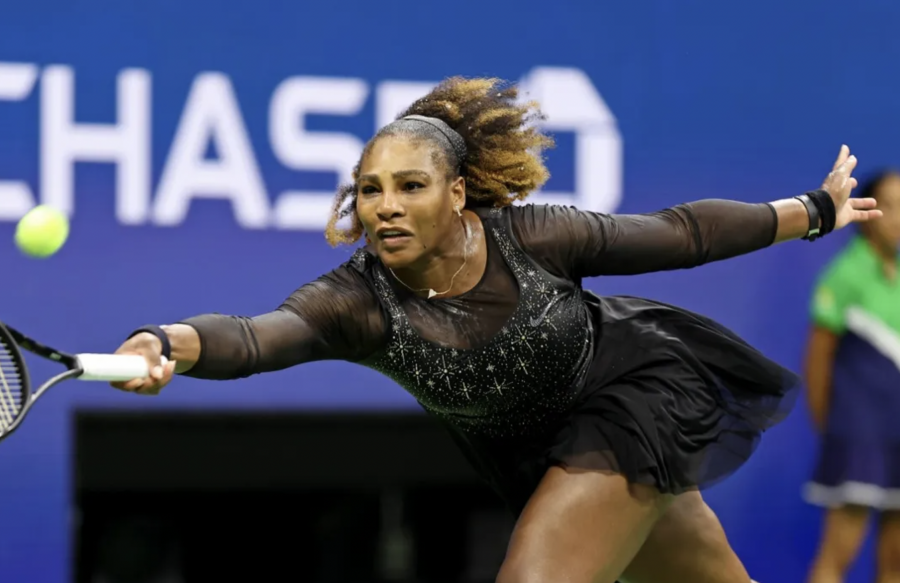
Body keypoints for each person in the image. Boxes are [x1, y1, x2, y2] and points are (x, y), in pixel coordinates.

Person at [109, 76, 880, 583]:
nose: (385, 206)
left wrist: (813, 211)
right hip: (534, 454)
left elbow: (681, 232)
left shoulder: (535, 238)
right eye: (370, 190)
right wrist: (166, 342)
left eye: (410, 185)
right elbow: (255, 337)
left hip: (630, 401)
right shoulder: (357, 300)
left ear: (457, 192)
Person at [803, 170, 900, 583]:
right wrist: (833, 427)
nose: (898, 217)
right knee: (838, 554)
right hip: (859, 435)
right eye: (890, 205)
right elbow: (818, 359)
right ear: (868, 212)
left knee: (896, 561)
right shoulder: (844, 274)